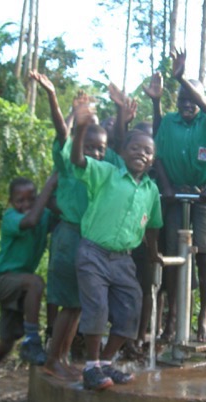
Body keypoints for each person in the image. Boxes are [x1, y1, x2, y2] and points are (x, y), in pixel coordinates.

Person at [31, 71, 120, 380]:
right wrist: (54, 97)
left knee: (78, 304)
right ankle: (54, 358)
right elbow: (61, 130)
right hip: (70, 237)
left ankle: (62, 357)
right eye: (90, 146)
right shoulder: (70, 162)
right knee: (69, 303)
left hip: (88, 239)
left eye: (101, 148)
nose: (95, 152)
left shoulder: (102, 171)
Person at [70, 98, 163, 391]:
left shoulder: (151, 190)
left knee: (131, 308)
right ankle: (91, 366)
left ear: (153, 160)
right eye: (134, 148)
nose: (141, 154)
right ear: (121, 152)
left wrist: (153, 253)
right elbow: (78, 161)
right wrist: (81, 129)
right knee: (96, 307)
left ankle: (107, 362)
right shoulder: (106, 173)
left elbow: (153, 226)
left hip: (124, 259)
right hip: (93, 252)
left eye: (147, 151)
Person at [144, 50, 206, 343]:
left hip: (202, 197)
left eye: (191, 100)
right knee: (171, 254)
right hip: (173, 196)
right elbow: (158, 154)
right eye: (181, 100)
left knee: (203, 255)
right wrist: (166, 187)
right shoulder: (169, 122)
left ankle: (202, 319)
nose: (186, 105)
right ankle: (172, 320)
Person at [0, 174, 58, 402]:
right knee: (35, 282)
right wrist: (48, 187)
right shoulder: (11, 218)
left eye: (32, 199)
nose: (26, 205)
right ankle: (32, 340)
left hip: (19, 284)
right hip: (3, 280)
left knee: (5, 344)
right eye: (20, 201)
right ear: (11, 203)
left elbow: (58, 215)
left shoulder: (43, 215)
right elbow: (30, 221)